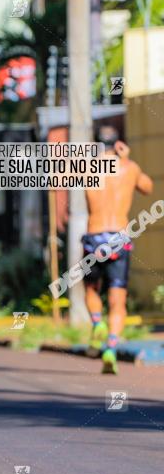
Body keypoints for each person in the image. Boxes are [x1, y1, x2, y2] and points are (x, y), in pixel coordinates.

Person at [83, 126, 153, 374]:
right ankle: (111, 347)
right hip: (119, 237)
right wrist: (126, 160)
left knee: (91, 288)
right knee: (118, 298)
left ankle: (96, 322)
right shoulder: (129, 168)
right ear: (117, 143)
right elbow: (148, 187)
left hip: (94, 236)